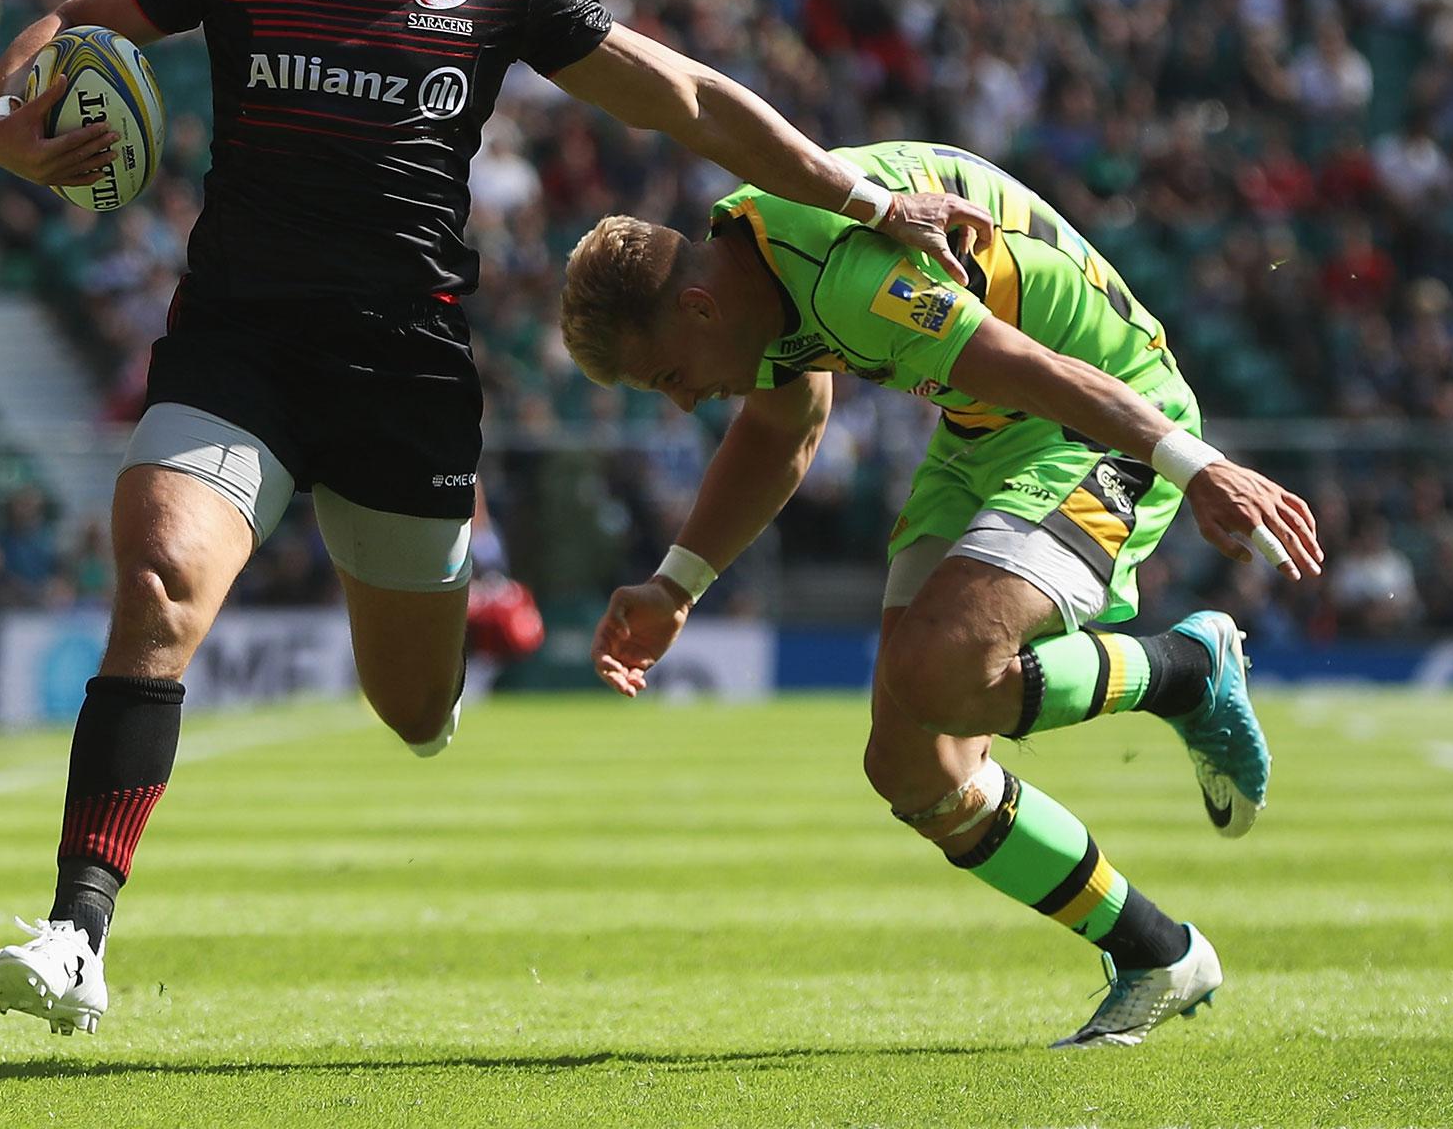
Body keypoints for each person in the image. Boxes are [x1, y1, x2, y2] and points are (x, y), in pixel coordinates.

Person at [0, 0, 993, 1035]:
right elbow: (60, 24)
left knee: (413, 707)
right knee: (161, 578)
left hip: (406, 372)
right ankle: (78, 930)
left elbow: (682, 96)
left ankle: (441, 650)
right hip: (241, 346)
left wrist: (862, 198)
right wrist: (7, 125)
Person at [559, 140, 1323, 1049]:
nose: (685, 405)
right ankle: (1159, 954)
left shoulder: (843, 274)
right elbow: (785, 422)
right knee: (912, 764)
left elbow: (1036, 370)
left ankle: (1187, 669)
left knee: (944, 672)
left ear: (694, 308)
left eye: (670, 380)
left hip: (1104, 416)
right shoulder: (746, 258)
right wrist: (679, 583)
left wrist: (1197, 466)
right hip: (986, 431)